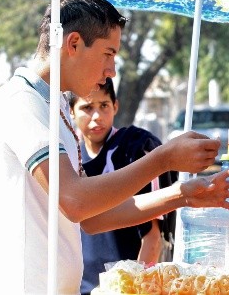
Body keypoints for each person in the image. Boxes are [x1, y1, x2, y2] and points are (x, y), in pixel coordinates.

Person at [0, 0, 229, 294]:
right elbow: (76, 201)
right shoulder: (21, 102)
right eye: (108, 54)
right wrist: (163, 158)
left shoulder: (57, 107)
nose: (111, 71)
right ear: (73, 43)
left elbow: (92, 216)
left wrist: (183, 195)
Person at [68, 78, 177, 295]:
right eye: (87, 108)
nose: (97, 116)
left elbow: (152, 238)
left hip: (126, 286)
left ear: (115, 106)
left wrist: (132, 288)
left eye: (104, 106)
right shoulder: (66, 158)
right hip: (77, 286)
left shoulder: (137, 149)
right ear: (71, 111)